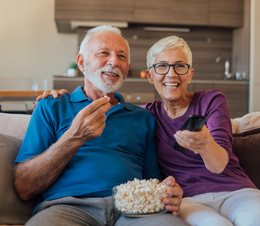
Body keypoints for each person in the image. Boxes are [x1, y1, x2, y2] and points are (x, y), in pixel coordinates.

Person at [45, 35, 260, 226]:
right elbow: (114, 112)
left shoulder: (211, 99)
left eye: (180, 66)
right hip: (189, 200)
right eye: (162, 66)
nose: (171, 74)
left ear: (190, 73)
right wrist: (59, 97)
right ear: (149, 76)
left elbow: (219, 164)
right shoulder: (145, 115)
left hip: (235, 190)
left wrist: (206, 145)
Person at [14, 25, 188, 226]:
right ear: (82, 62)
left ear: (127, 67)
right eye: (103, 53)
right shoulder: (51, 106)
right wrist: (74, 137)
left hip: (134, 210)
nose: (114, 61)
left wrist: (168, 193)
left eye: (122, 57)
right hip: (67, 209)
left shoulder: (143, 117)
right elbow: (24, 187)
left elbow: (153, 182)